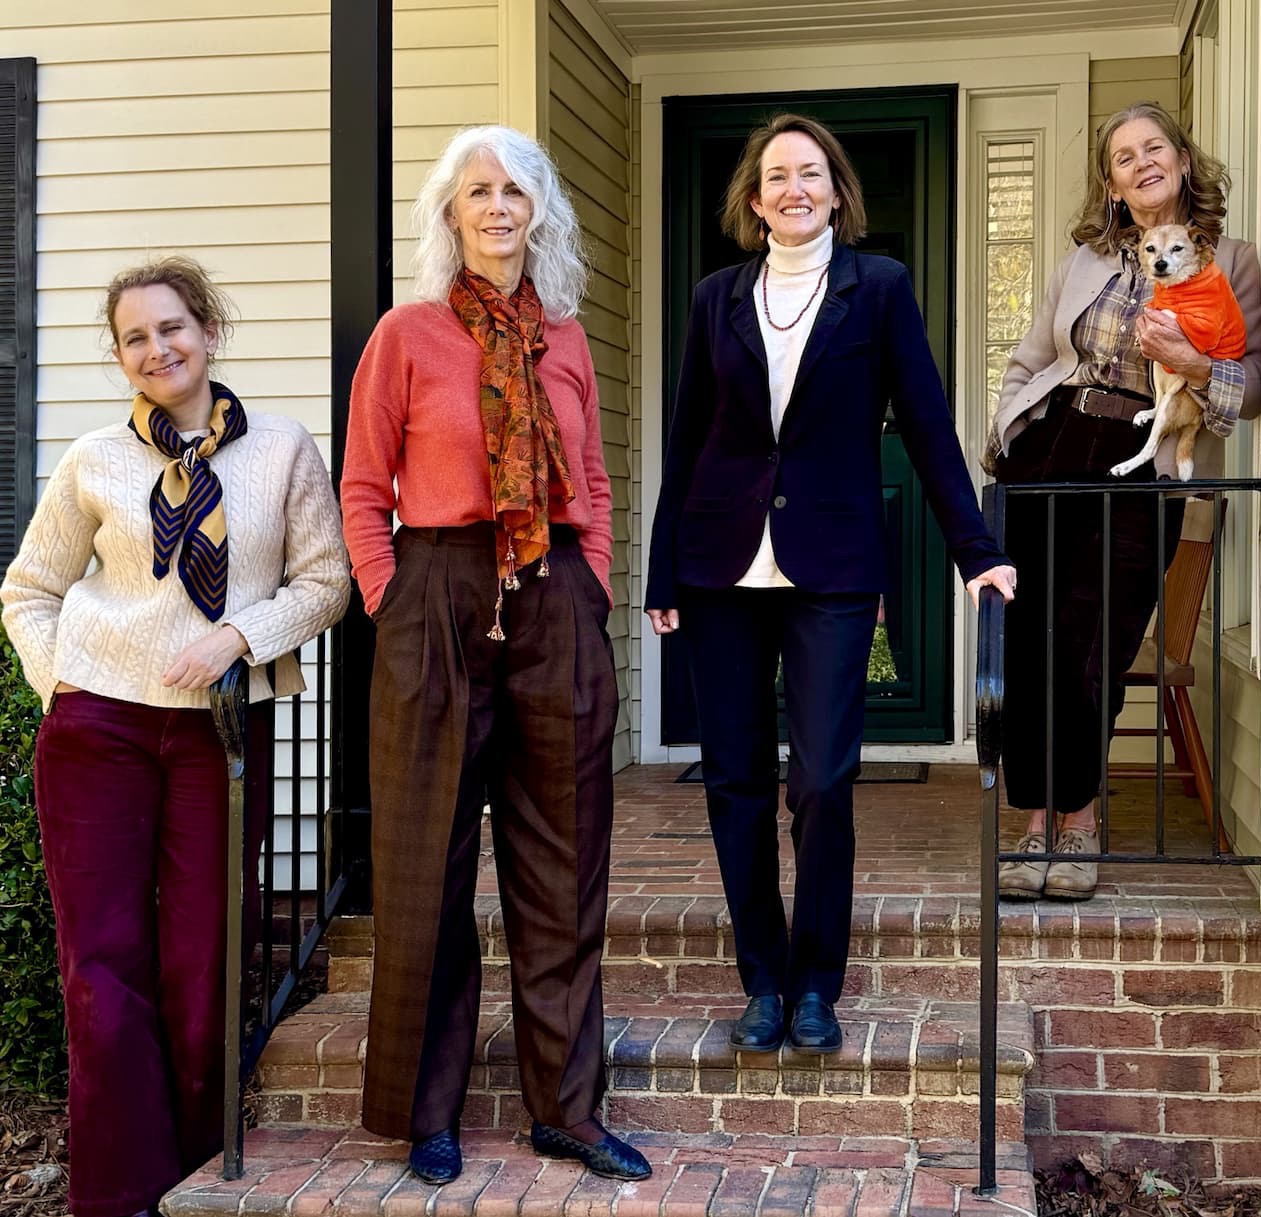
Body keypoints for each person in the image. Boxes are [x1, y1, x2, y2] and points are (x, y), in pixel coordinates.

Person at [644, 113, 1014, 1055]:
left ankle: (817, 982)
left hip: (833, 567)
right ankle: (760, 982)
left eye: (810, 173)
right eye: (776, 176)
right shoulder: (713, 297)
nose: (793, 188)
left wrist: (975, 550)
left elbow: (928, 426)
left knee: (819, 778)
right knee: (732, 779)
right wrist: (657, 564)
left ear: (837, 191)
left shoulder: (877, 288)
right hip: (721, 564)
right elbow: (685, 437)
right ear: (753, 197)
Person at [0, 256, 350, 1217]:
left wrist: (242, 635)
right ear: (120, 357)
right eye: (136, 338)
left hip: (222, 732)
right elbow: (28, 587)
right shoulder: (93, 460)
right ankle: (117, 1191)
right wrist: (59, 680)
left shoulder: (280, 447)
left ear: (210, 330)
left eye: (173, 327)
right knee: (101, 963)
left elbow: (327, 582)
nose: (159, 348)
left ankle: (195, 1169)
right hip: (97, 729)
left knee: (205, 954)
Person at [340, 125, 650, 1186]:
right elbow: (362, 487)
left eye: (515, 190)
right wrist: (392, 600)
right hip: (435, 590)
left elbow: (597, 484)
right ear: (450, 213)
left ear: (540, 212)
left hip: (555, 596)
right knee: (427, 864)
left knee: (563, 865)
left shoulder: (562, 338)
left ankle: (566, 1108)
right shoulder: (407, 333)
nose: (496, 206)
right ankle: (429, 1111)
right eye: (477, 190)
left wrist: (594, 579)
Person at [984, 101, 1261, 901]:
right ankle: (1031, 818)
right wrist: (1004, 433)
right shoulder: (1082, 262)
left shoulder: (1233, 260)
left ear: (1180, 159)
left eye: (1153, 148)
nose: (1140, 162)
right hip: (1051, 448)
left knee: (1094, 640)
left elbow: (1254, 386)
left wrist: (1196, 365)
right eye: (1122, 157)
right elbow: (1032, 356)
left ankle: (1078, 818)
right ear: (1110, 185)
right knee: (1032, 639)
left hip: (1147, 461)